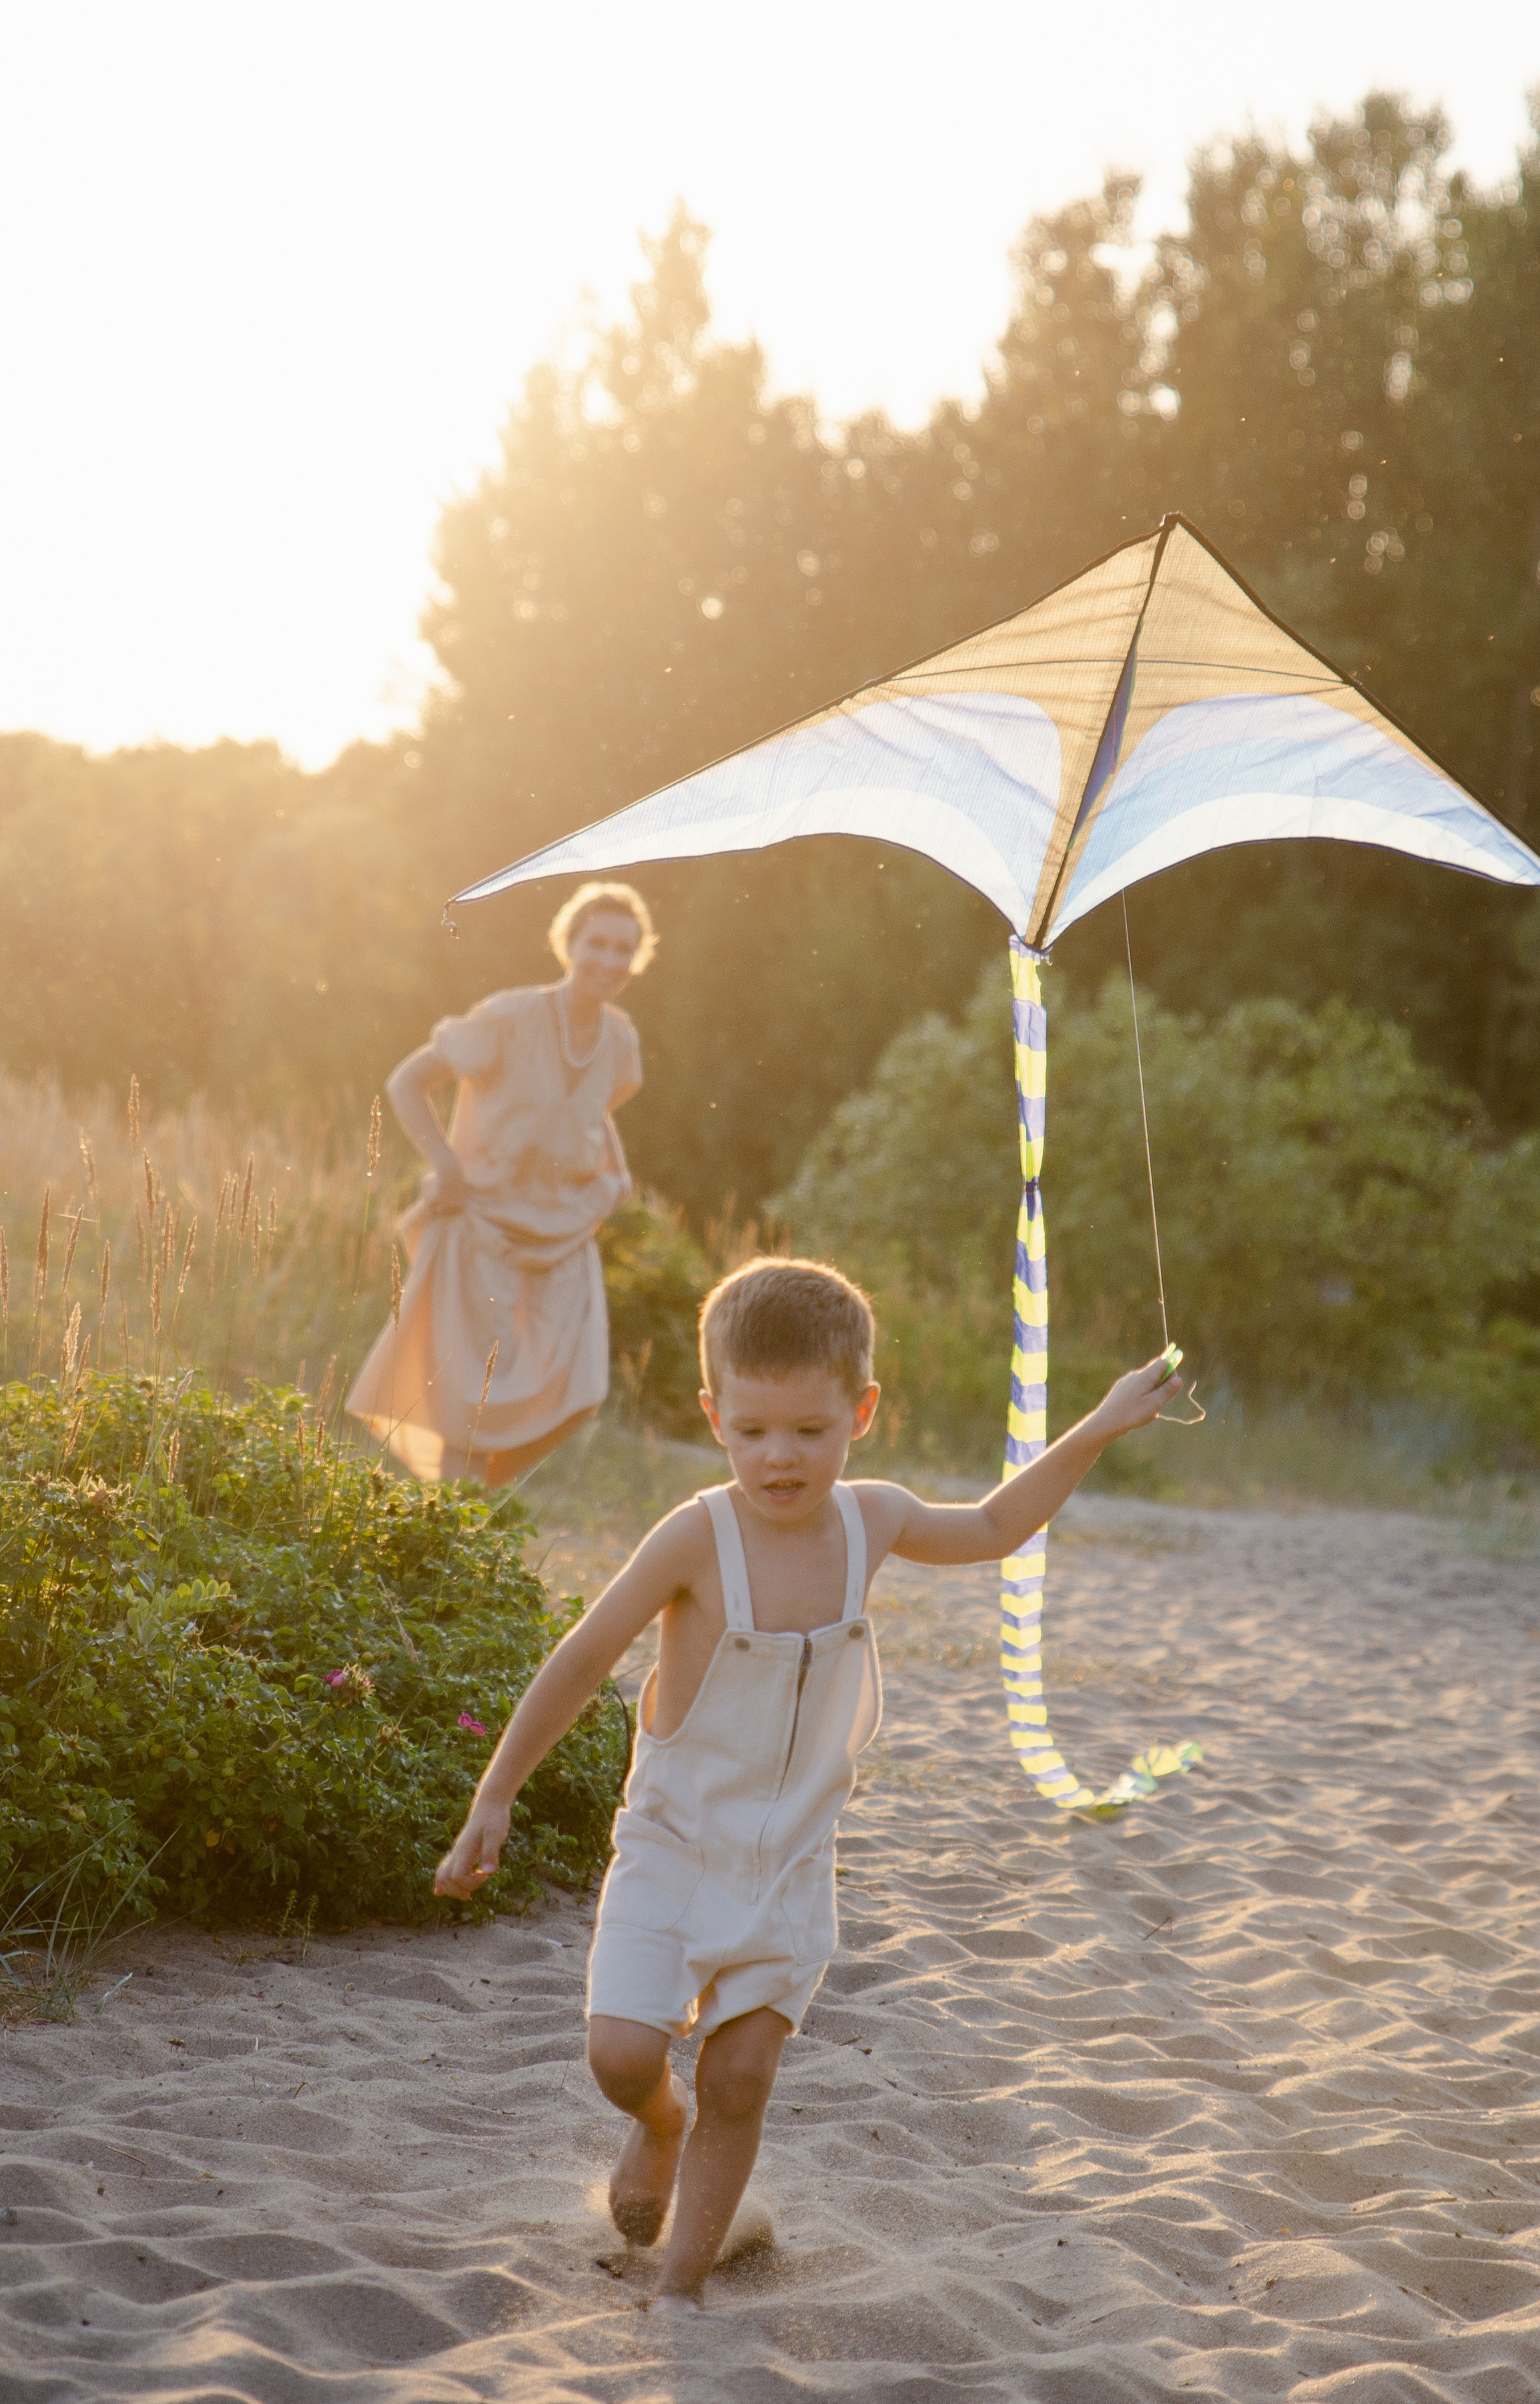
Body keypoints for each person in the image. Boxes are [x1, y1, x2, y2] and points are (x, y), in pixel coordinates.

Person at [433, 1256, 1185, 2307]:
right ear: (712, 1414)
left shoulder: (871, 1520)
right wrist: (496, 1792)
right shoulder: (697, 1535)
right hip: (673, 1844)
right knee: (619, 2053)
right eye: (750, 1431)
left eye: (809, 1430)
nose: (778, 1457)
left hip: (789, 1859)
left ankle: (681, 2288)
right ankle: (660, 2122)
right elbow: (583, 1656)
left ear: (861, 1410)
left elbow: (997, 1526)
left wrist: (1100, 1422)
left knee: (740, 2075)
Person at [345, 883, 654, 1487]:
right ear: (568, 942)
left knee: (580, 1389)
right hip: (480, 1227)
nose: (609, 961)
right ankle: (455, 1538)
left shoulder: (621, 1038)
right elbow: (407, 1082)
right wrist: (448, 1166)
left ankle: (471, 1506)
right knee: (469, 1403)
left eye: (624, 949)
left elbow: (591, 1110)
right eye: (597, 943)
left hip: (564, 1234)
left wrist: (617, 1177)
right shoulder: (509, 1016)